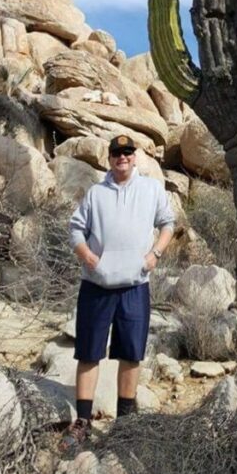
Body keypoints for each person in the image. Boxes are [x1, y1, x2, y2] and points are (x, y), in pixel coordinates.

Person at [61, 134, 175, 450]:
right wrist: (85, 254)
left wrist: (156, 255)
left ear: (134, 157)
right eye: (116, 153)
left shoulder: (152, 189)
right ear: (109, 158)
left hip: (135, 287)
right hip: (96, 286)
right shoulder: (96, 193)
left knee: (131, 354)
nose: (122, 157)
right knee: (88, 353)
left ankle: (125, 423)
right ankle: (83, 422)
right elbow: (75, 228)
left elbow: (168, 223)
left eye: (127, 152)